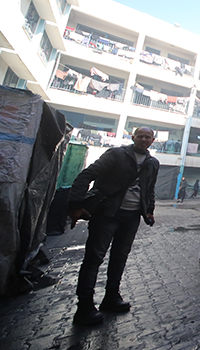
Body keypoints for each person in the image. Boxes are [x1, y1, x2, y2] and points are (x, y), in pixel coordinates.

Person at [68, 127, 159, 326]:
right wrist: (76, 204)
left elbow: (149, 189)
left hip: (132, 217)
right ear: (133, 137)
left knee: (119, 258)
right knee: (94, 259)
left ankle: (111, 297)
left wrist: (149, 210)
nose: (144, 139)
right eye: (140, 136)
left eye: (148, 137)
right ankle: (84, 306)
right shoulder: (117, 155)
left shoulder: (153, 163)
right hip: (107, 214)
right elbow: (86, 175)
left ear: (153, 140)